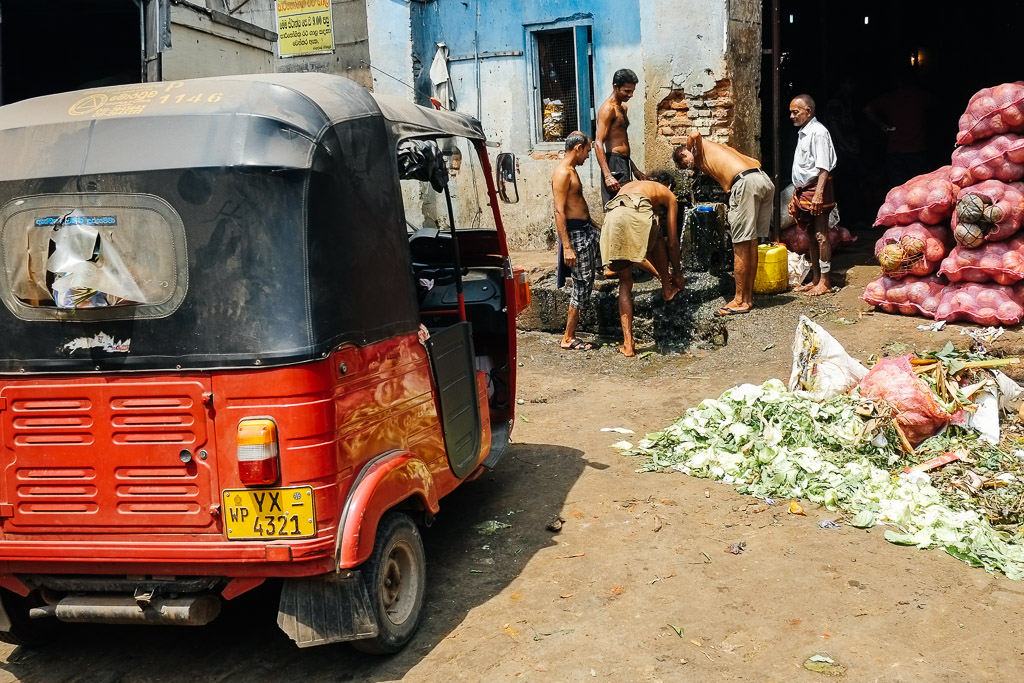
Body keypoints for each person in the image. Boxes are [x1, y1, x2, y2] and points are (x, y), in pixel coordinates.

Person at [673, 131, 774, 315]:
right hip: (763, 180)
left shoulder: (698, 148)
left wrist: (691, 148)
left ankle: (738, 300)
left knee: (740, 245)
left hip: (745, 184)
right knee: (751, 242)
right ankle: (747, 298)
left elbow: (694, 133)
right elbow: (754, 161)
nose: (689, 167)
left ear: (683, 154)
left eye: (685, 163)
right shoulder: (721, 149)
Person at [601, 173, 682, 357]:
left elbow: (638, 258)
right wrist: (676, 273)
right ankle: (667, 288)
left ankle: (628, 344)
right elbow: (673, 242)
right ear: (669, 186)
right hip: (636, 210)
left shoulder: (633, 185)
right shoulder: (668, 195)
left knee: (625, 282)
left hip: (613, 213)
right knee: (659, 235)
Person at [551, 131, 599, 351]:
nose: (588, 156)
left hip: (587, 229)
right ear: (578, 148)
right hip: (576, 237)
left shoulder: (571, 171)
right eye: (588, 151)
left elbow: (576, 205)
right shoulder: (562, 173)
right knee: (581, 285)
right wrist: (567, 247)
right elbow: (560, 211)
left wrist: (596, 224)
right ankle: (568, 337)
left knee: (617, 253)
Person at [788, 94, 837, 296]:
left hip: (817, 187)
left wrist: (818, 194)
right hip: (804, 189)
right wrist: (795, 194)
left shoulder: (818, 132)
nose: (791, 116)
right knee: (810, 234)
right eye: (790, 112)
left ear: (808, 112)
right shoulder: (804, 132)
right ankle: (816, 278)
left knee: (821, 234)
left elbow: (824, 167)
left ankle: (825, 281)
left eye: (795, 112)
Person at [595, 68, 645, 205]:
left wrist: (634, 169)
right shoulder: (607, 109)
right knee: (616, 207)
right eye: (627, 91)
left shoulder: (623, 108)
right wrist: (607, 175)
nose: (630, 95)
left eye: (632, 91)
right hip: (613, 163)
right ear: (615, 87)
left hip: (624, 162)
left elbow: (622, 142)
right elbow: (598, 143)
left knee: (626, 206)